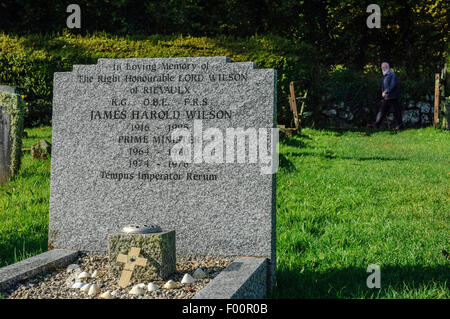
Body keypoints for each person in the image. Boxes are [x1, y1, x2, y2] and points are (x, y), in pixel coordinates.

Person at [368, 62, 404, 129]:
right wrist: (383, 93)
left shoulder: (392, 74)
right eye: (382, 67)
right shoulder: (385, 75)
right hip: (387, 97)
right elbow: (384, 86)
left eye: (384, 67)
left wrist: (386, 92)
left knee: (396, 111)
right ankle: (376, 124)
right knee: (382, 111)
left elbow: (393, 85)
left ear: (388, 67)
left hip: (393, 96)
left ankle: (400, 125)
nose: (383, 68)